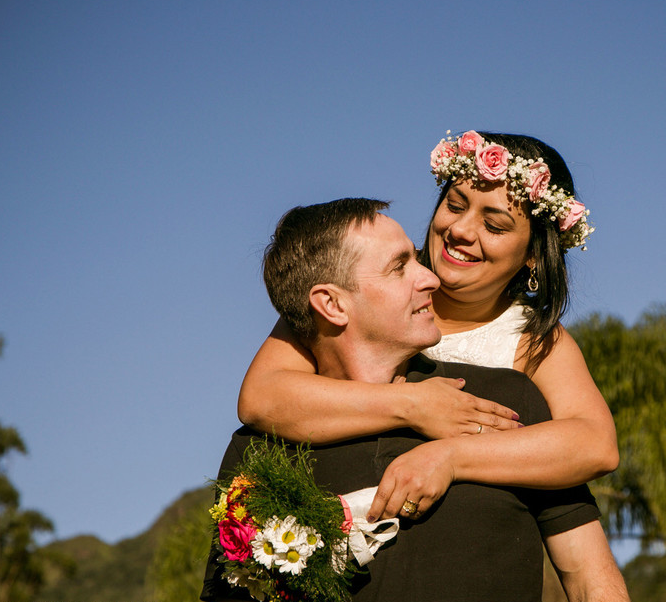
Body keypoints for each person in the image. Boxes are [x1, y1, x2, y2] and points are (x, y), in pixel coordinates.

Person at [202, 198, 647, 602]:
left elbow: (594, 584)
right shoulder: (265, 447)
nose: (430, 276)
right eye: (399, 266)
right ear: (331, 303)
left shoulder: (507, 401)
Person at [237, 131, 618, 520]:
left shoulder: (536, 342)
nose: (461, 231)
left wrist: (451, 456)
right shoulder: (363, 283)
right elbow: (261, 397)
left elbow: (595, 444)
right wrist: (412, 405)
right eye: (454, 205)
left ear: (534, 256)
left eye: (496, 226)